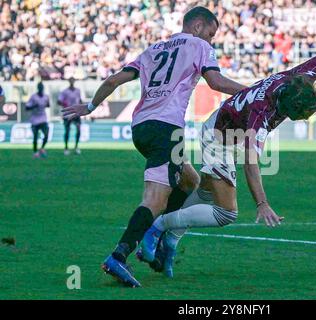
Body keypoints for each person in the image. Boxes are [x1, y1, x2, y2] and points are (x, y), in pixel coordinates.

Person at [138, 28, 316, 279]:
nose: (303, 119)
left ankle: (170, 241)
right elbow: (250, 162)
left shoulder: (302, 77)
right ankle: (159, 226)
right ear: (288, 107)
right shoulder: (262, 113)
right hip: (220, 137)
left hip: (227, 125)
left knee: (208, 194)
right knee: (226, 213)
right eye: (302, 115)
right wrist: (262, 203)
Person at [62, 6, 246, 287]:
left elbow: (113, 80)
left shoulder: (153, 50)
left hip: (141, 128)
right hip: (165, 129)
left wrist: (89, 106)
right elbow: (215, 81)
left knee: (189, 182)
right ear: (198, 26)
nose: (211, 40)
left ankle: (158, 242)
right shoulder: (199, 46)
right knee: (155, 199)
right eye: (210, 33)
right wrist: (253, 90)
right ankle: (119, 256)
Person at [58, 78, 82, 155]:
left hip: (76, 113)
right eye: (70, 80)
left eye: (73, 80)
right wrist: (63, 104)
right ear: (69, 82)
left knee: (78, 129)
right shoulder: (64, 91)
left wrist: (82, 108)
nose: (72, 82)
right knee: (67, 131)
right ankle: (66, 147)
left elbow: (80, 100)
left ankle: (76, 147)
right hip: (68, 113)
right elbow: (59, 101)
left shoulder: (78, 91)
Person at [25, 82, 50, 158]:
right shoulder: (33, 97)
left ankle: (42, 148)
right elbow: (27, 107)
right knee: (35, 136)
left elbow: (48, 105)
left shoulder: (46, 96)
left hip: (43, 118)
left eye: (42, 86)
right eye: (40, 87)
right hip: (35, 119)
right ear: (38, 88)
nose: (41, 88)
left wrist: (46, 104)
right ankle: (35, 152)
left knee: (46, 134)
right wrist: (34, 106)